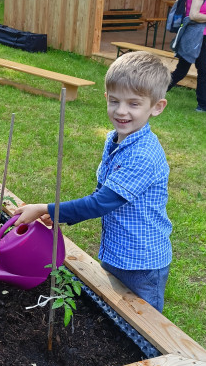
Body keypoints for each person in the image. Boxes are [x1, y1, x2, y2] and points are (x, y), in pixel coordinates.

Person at [15, 51, 172, 313]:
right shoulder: (115, 139)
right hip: (118, 251)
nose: (121, 111)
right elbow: (102, 191)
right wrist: (60, 215)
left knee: (146, 321)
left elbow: (100, 203)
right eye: (114, 101)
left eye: (134, 104)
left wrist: (46, 209)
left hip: (142, 262)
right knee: (119, 310)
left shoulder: (143, 155)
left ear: (157, 106)